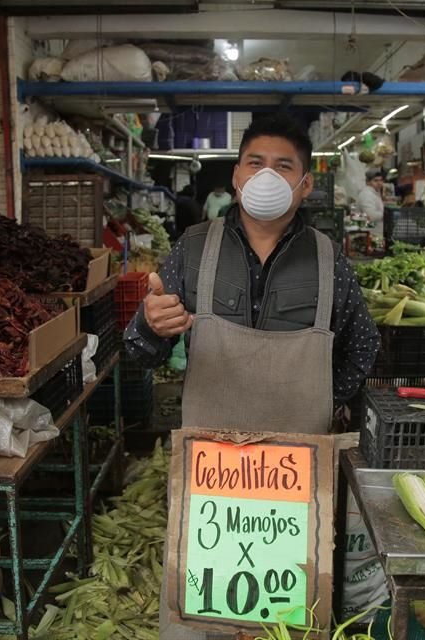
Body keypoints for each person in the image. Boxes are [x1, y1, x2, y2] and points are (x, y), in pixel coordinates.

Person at [124, 114, 380, 640]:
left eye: (284, 166)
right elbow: (136, 351)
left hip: (297, 476)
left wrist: (330, 405)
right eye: (255, 163)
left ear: (305, 184)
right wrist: (151, 327)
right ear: (236, 176)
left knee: (293, 613)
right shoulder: (193, 249)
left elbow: (364, 346)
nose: (267, 175)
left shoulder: (331, 260)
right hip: (211, 475)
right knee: (202, 614)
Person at [356, 170, 386, 237]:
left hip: (374, 232)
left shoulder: (374, 193)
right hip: (369, 234)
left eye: (381, 180)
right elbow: (371, 216)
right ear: (368, 182)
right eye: (375, 180)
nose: (379, 183)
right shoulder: (367, 195)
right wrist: (386, 214)